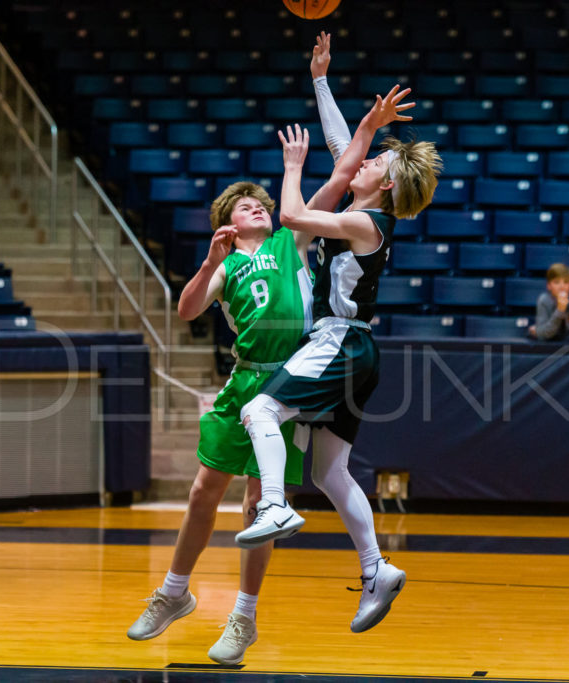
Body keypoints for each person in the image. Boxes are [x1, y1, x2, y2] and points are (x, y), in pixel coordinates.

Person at [236, 31, 442, 633]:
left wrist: (292, 170)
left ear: (385, 186)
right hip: (356, 346)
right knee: (330, 471)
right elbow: (343, 147)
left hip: (340, 342)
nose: (362, 163)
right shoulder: (367, 213)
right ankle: (376, 569)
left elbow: (294, 215)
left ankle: (273, 505)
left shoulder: (363, 222)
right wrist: (323, 80)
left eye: (374, 164)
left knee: (260, 412)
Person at [125, 181, 312, 665]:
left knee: (258, 504)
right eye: (243, 206)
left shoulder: (288, 240)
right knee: (203, 491)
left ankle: (244, 617)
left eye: (259, 204)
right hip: (245, 381)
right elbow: (187, 309)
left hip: (288, 386)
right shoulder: (226, 266)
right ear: (228, 224)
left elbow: (334, 184)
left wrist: (294, 165)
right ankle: (174, 593)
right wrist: (210, 261)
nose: (256, 207)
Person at [529, 262, 569, 341]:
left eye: (566, 282)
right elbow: (542, 335)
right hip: (548, 346)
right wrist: (559, 310)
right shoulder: (543, 300)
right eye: (556, 282)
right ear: (549, 285)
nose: (562, 287)